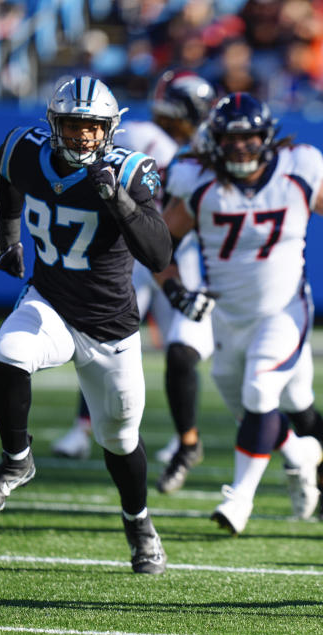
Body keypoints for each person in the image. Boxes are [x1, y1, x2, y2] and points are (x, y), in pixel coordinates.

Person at [0, 76, 173, 574]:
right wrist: (8, 237)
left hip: (111, 327)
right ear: (53, 123)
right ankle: (16, 459)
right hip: (52, 303)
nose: (82, 137)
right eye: (73, 125)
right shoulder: (24, 148)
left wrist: (120, 202)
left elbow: (159, 253)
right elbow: (7, 177)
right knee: (9, 353)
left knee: (120, 440)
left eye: (92, 128)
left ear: (109, 129)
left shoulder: (130, 172)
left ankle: (139, 523)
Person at [157, 92, 323, 529]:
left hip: (284, 310)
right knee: (272, 410)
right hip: (227, 318)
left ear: (267, 137)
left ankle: (241, 500)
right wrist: (174, 288)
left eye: (249, 137)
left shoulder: (297, 170)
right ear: (213, 140)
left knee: (261, 394)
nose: (239, 148)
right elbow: (159, 245)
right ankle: (299, 451)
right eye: (230, 139)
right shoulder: (197, 181)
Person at [52, 69, 218, 498]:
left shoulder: (194, 147)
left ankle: (185, 441)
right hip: (131, 250)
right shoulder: (148, 137)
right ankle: (90, 427)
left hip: (171, 251)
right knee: (104, 340)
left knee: (174, 349)